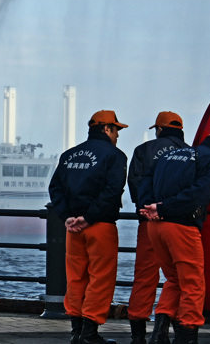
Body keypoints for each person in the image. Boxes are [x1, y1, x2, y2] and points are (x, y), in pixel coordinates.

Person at [139, 129, 210, 344]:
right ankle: (187, 336)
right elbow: (201, 193)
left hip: (155, 227)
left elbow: (145, 179)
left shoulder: (170, 155)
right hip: (181, 227)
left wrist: (149, 207)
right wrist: (164, 208)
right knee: (193, 283)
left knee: (173, 279)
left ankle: (159, 334)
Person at [49, 110, 129, 344]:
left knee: (76, 277)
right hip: (100, 225)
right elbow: (113, 190)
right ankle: (90, 333)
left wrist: (67, 217)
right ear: (106, 129)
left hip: (73, 228)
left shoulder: (69, 155)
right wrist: (90, 216)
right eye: (116, 130)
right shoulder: (115, 155)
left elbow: (55, 188)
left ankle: (75, 330)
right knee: (100, 277)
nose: (117, 136)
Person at [127, 111, 189, 344]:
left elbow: (135, 184)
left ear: (159, 129)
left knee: (144, 275)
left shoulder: (143, 150)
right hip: (180, 224)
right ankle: (168, 328)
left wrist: (146, 208)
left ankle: (138, 336)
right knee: (180, 277)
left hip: (149, 224)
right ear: (180, 131)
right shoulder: (191, 152)